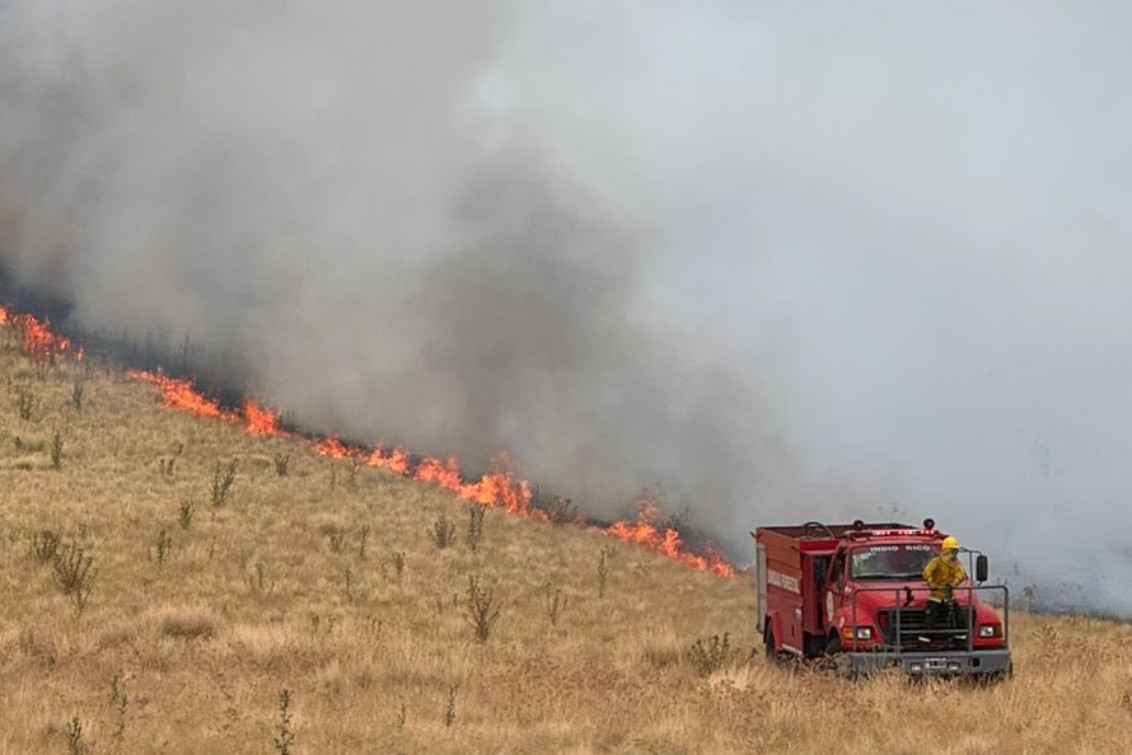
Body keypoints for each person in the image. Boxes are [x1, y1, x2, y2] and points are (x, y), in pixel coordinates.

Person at [919, 536, 967, 642]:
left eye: (955, 551)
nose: (954, 554)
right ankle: (923, 641)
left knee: (959, 617)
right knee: (930, 618)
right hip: (936, 595)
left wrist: (955, 582)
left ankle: (960, 639)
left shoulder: (956, 564)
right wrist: (931, 582)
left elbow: (961, 574)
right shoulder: (937, 562)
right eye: (952, 551)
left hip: (949, 595)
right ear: (946, 551)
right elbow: (927, 572)